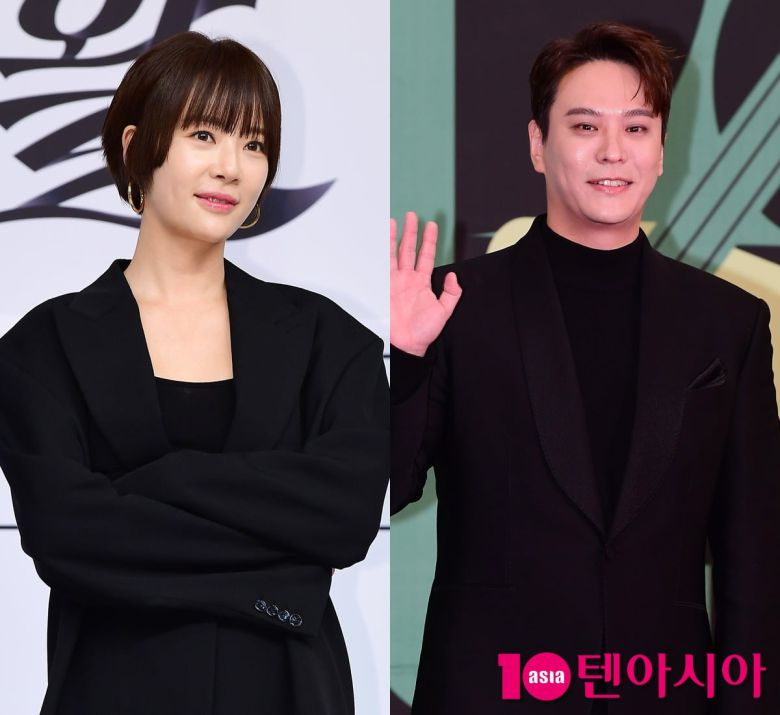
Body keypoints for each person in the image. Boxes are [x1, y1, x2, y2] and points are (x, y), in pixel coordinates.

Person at [391, 21, 780, 715]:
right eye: (584, 126)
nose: (612, 151)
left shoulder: (730, 324)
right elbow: (380, 494)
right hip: (493, 691)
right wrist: (405, 360)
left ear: (662, 150)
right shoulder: (455, 305)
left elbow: (754, 560)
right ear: (537, 145)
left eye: (637, 128)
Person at [0, 31, 388, 715]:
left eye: (254, 143)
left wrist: (161, 482)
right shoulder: (43, 346)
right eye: (204, 135)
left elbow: (347, 516)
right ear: (135, 146)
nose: (232, 167)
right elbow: (64, 534)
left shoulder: (328, 340)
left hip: (289, 693)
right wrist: (277, 581)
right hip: (111, 692)